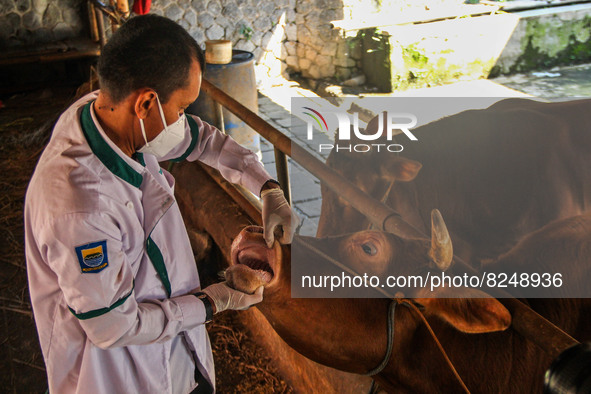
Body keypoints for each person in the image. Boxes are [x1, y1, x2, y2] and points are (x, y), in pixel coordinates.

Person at [24, 14, 298, 394]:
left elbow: (202, 140)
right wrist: (212, 302)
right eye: (182, 108)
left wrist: (266, 186)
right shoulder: (81, 207)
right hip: (122, 376)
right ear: (147, 103)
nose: (183, 120)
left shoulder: (109, 113)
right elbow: (113, 327)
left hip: (176, 353)